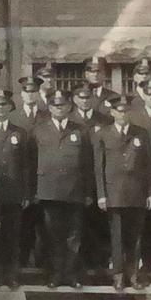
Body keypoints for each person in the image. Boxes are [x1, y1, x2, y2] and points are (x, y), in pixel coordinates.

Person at [31, 86, 96, 288]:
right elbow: (31, 163)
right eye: (55, 105)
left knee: (74, 237)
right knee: (52, 235)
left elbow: (88, 163)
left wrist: (87, 192)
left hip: (75, 191)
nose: (59, 108)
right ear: (49, 107)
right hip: (49, 192)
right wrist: (33, 190)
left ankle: (71, 274)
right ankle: (56, 274)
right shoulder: (39, 130)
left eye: (63, 105)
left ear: (69, 106)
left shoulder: (80, 130)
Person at [92, 95, 151, 290]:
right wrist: (102, 194)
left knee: (135, 238)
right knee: (117, 237)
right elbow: (99, 166)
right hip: (114, 193)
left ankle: (133, 274)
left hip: (137, 193)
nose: (123, 114)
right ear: (112, 112)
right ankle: (118, 275)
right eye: (119, 111)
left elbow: (149, 167)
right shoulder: (103, 133)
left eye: (126, 111)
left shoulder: (142, 134)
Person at [0, 88, 35, 287]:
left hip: (13, 193)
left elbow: (26, 165)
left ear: (10, 107)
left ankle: (10, 276)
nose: (0, 108)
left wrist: (27, 192)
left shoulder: (19, 133)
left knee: (12, 237)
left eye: (4, 104)